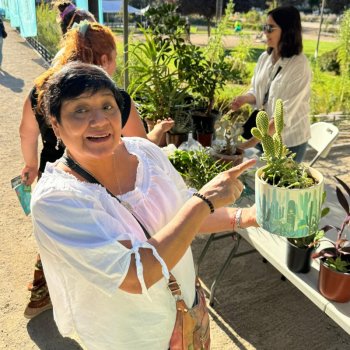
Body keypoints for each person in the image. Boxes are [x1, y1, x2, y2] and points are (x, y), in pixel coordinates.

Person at [31, 61, 258, 349]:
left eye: (107, 106)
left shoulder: (146, 153)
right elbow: (135, 274)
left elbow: (182, 213)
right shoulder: (57, 200)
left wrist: (247, 216)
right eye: (80, 110)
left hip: (187, 312)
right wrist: (203, 201)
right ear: (56, 125)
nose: (99, 120)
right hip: (133, 338)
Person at [20, 22, 173, 319]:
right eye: (115, 58)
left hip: (55, 175)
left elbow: (26, 132)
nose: (98, 118)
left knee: (65, 241)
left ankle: (43, 294)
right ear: (104, 60)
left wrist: (30, 165)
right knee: (114, 251)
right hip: (104, 188)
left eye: (105, 109)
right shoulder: (115, 99)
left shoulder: (42, 87)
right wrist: (157, 134)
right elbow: (141, 150)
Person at [231, 6, 311, 163]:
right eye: (264, 27)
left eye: (270, 28)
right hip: (261, 136)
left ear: (287, 30)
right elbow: (258, 91)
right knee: (255, 182)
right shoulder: (264, 58)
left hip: (288, 144)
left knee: (276, 186)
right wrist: (245, 99)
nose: (265, 32)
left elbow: (282, 117)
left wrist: (247, 145)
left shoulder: (299, 66)